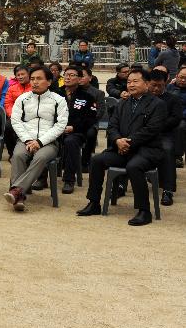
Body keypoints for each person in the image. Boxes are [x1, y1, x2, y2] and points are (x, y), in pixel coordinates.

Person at [77, 69, 167, 226]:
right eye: (129, 82)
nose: (131, 84)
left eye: (135, 81)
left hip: (146, 150)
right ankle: (94, 203)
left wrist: (128, 142)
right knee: (97, 160)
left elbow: (151, 130)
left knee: (134, 166)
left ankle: (144, 211)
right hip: (121, 149)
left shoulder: (157, 104)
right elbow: (112, 126)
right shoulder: (123, 103)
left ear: (146, 84)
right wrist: (118, 140)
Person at [3, 67, 68, 211]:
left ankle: (16, 190)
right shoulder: (22, 99)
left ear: (49, 81)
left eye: (39, 79)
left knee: (40, 157)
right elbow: (15, 121)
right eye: (32, 79)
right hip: (25, 139)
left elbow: (60, 125)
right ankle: (19, 197)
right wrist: (27, 140)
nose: (34, 82)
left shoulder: (59, 100)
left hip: (49, 143)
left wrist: (40, 142)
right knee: (18, 155)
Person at [59, 66, 98, 194]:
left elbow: (90, 119)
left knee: (71, 141)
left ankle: (69, 180)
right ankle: (41, 178)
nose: (68, 77)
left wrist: (74, 127)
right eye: (66, 74)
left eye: (72, 75)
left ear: (80, 78)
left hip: (76, 132)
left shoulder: (87, 97)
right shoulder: (55, 93)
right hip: (55, 130)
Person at [148, 69, 182, 206]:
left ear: (165, 83)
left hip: (163, 134)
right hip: (142, 134)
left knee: (168, 150)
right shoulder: (142, 97)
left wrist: (157, 127)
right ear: (148, 83)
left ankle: (167, 190)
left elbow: (176, 118)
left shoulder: (173, 99)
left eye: (160, 85)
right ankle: (120, 185)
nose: (156, 88)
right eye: (153, 85)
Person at [3, 65, 32, 157]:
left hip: (31, 116)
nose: (20, 76)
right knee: (7, 127)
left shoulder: (34, 87)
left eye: (22, 74)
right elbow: (8, 103)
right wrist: (12, 115)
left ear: (29, 74)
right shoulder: (12, 88)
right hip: (15, 116)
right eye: (18, 75)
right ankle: (12, 154)